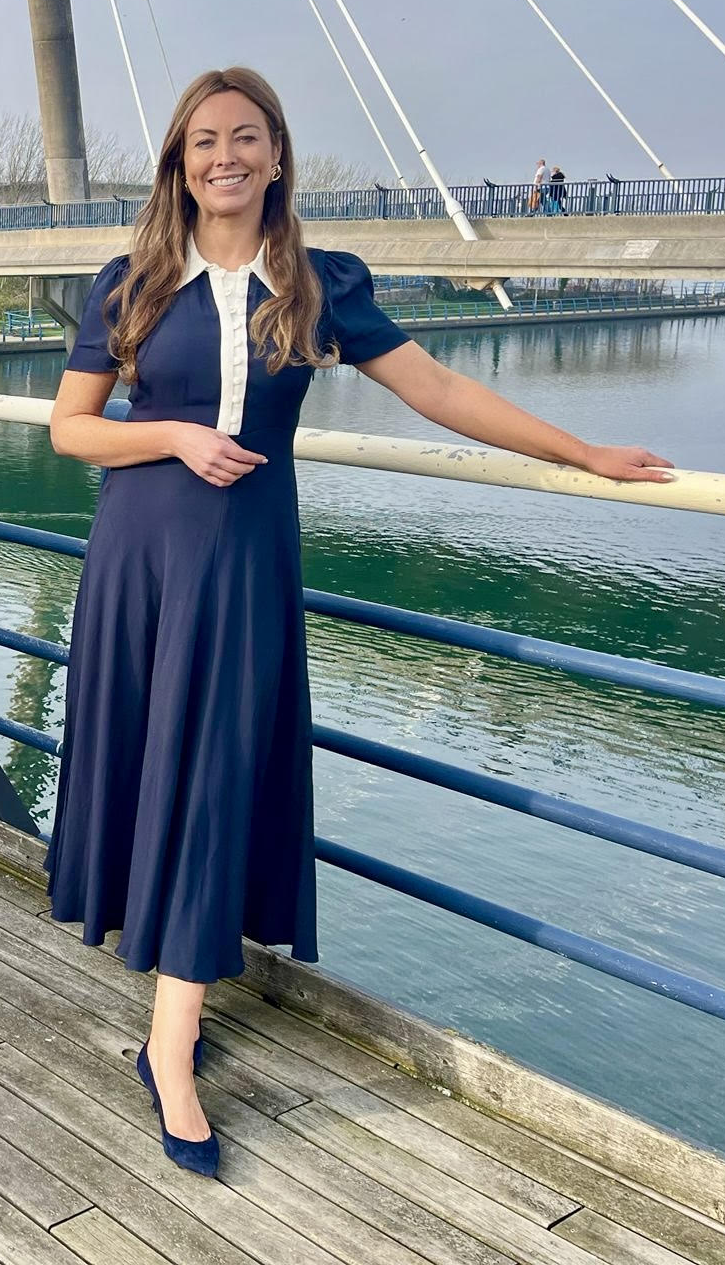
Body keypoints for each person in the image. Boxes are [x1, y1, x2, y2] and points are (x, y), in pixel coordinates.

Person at [46, 67, 670, 1178]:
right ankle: (171, 1030)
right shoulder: (129, 279)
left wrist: (579, 453)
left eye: (244, 138)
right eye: (202, 141)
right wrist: (174, 438)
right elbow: (70, 432)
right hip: (140, 558)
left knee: (213, 778)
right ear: (177, 164)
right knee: (166, 775)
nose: (222, 157)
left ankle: (170, 1039)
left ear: (277, 157)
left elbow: (434, 390)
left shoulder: (316, 286)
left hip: (239, 568)